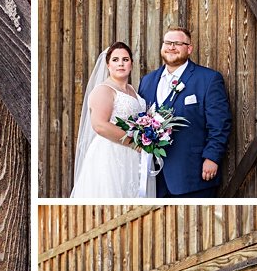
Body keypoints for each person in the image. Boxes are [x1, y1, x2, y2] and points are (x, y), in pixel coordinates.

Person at [148, 24, 232, 197]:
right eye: (168, 42)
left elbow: (219, 123)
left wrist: (212, 158)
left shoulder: (208, 79)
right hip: (155, 177)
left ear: (189, 49)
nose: (172, 47)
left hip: (194, 173)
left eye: (178, 43)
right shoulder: (147, 81)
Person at [71, 40, 156, 198]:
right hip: (111, 153)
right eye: (115, 60)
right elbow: (99, 125)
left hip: (133, 156)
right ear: (108, 65)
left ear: (131, 63)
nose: (121, 64)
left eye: (125, 59)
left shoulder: (131, 89)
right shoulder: (104, 90)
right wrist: (135, 143)